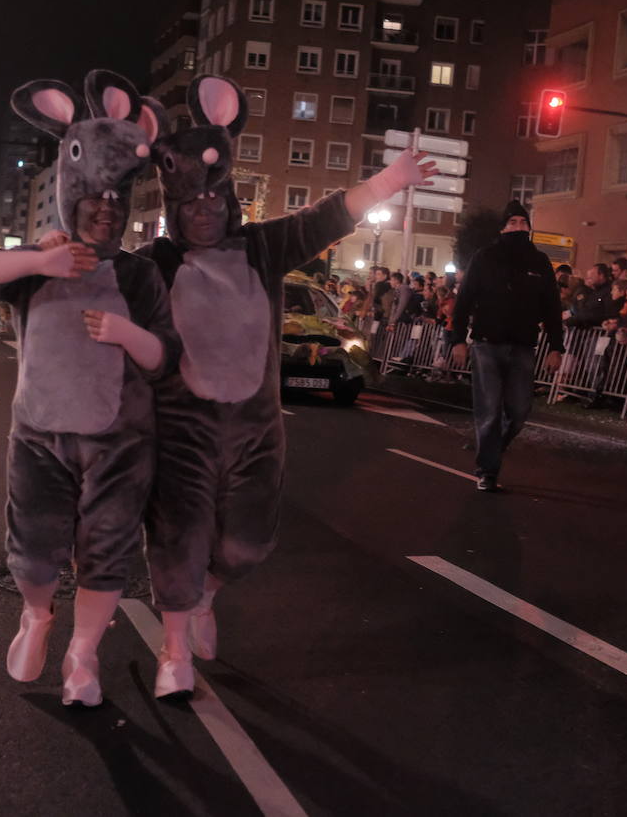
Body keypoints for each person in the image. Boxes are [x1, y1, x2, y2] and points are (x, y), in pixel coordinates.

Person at [134, 74, 438, 695]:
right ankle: (174, 655)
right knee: (177, 540)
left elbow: (321, 220)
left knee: (245, 546)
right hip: (181, 432)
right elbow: (103, 277)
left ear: (229, 197)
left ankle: (206, 597)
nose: (203, 212)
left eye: (212, 200)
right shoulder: (156, 267)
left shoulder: (261, 250)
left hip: (253, 433)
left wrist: (391, 180)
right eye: (190, 204)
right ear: (173, 206)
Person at [0, 70, 172, 708]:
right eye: (92, 201)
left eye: (115, 202)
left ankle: (83, 655)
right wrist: (39, 261)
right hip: (41, 435)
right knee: (34, 545)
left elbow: (165, 356)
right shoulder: (39, 258)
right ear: (70, 196)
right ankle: (37, 617)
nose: (105, 211)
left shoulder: (138, 274)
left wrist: (126, 335)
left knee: (107, 550)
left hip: (119, 443)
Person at [448, 201, 564, 491]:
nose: (518, 227)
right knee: (488, 411)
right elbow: (464, 302)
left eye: (522, 223)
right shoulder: (485, 258)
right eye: (512, 222)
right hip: (487, 344)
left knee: (520, 410)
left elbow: (552, 306)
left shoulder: (539, 262)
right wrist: (458, 339)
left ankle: (491, 449)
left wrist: (556, 347)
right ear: (502, 227)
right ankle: (488, 471)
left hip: (523, 346)